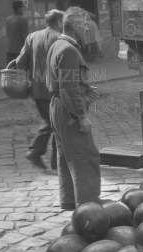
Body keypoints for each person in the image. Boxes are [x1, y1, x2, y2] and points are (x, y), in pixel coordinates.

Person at [46, 7, 101, 210]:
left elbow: (64, 81)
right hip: (68, 110)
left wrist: (84, 87)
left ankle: (69, 200)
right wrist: (81, 116)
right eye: (85, 25)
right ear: (75, 26)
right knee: (84, 155)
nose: (87, 29)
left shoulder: (57, 44)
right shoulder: (69, 49)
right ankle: (88, 205)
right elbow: (67, 87)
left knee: (65, 155)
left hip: (57, 107)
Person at [16, 9, 64, 171]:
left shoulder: (32, 36)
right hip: (56, 90)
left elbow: (20, 63)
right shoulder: (61, 39)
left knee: (52, 122)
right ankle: (36, 152)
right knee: (57, 124)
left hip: (38, 90)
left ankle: (54, 162)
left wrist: (31, 76)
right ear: (59, 22)